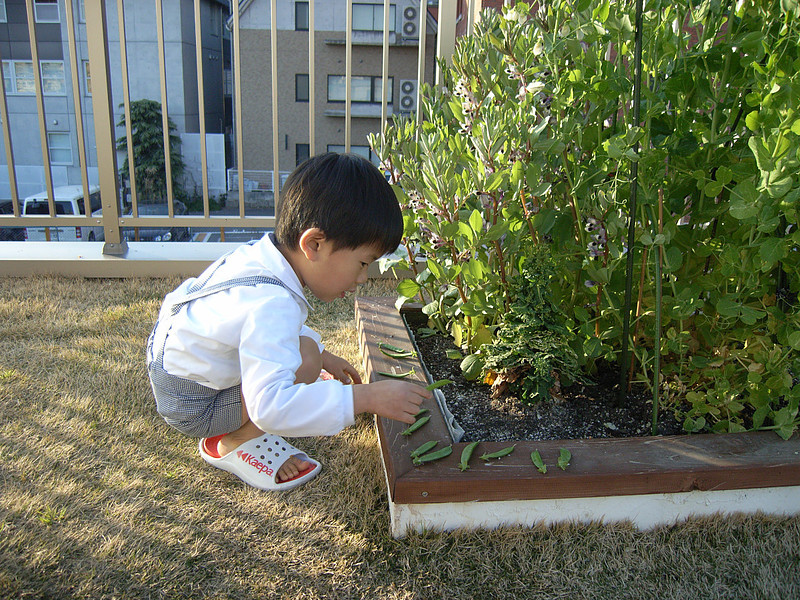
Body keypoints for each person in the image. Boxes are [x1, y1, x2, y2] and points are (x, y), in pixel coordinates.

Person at [146, 153, 431, 491]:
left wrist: (325, 355)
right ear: (314, 244)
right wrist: (366, 398)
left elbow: (259, 327)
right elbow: (270, 408)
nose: (363, 278)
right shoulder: (272, 303)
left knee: (310, 353)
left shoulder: (261, 258)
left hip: (176, 369)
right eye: (362, 263)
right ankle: (234, 441)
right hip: (195, 405)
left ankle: (248, 411)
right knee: (305, 362)